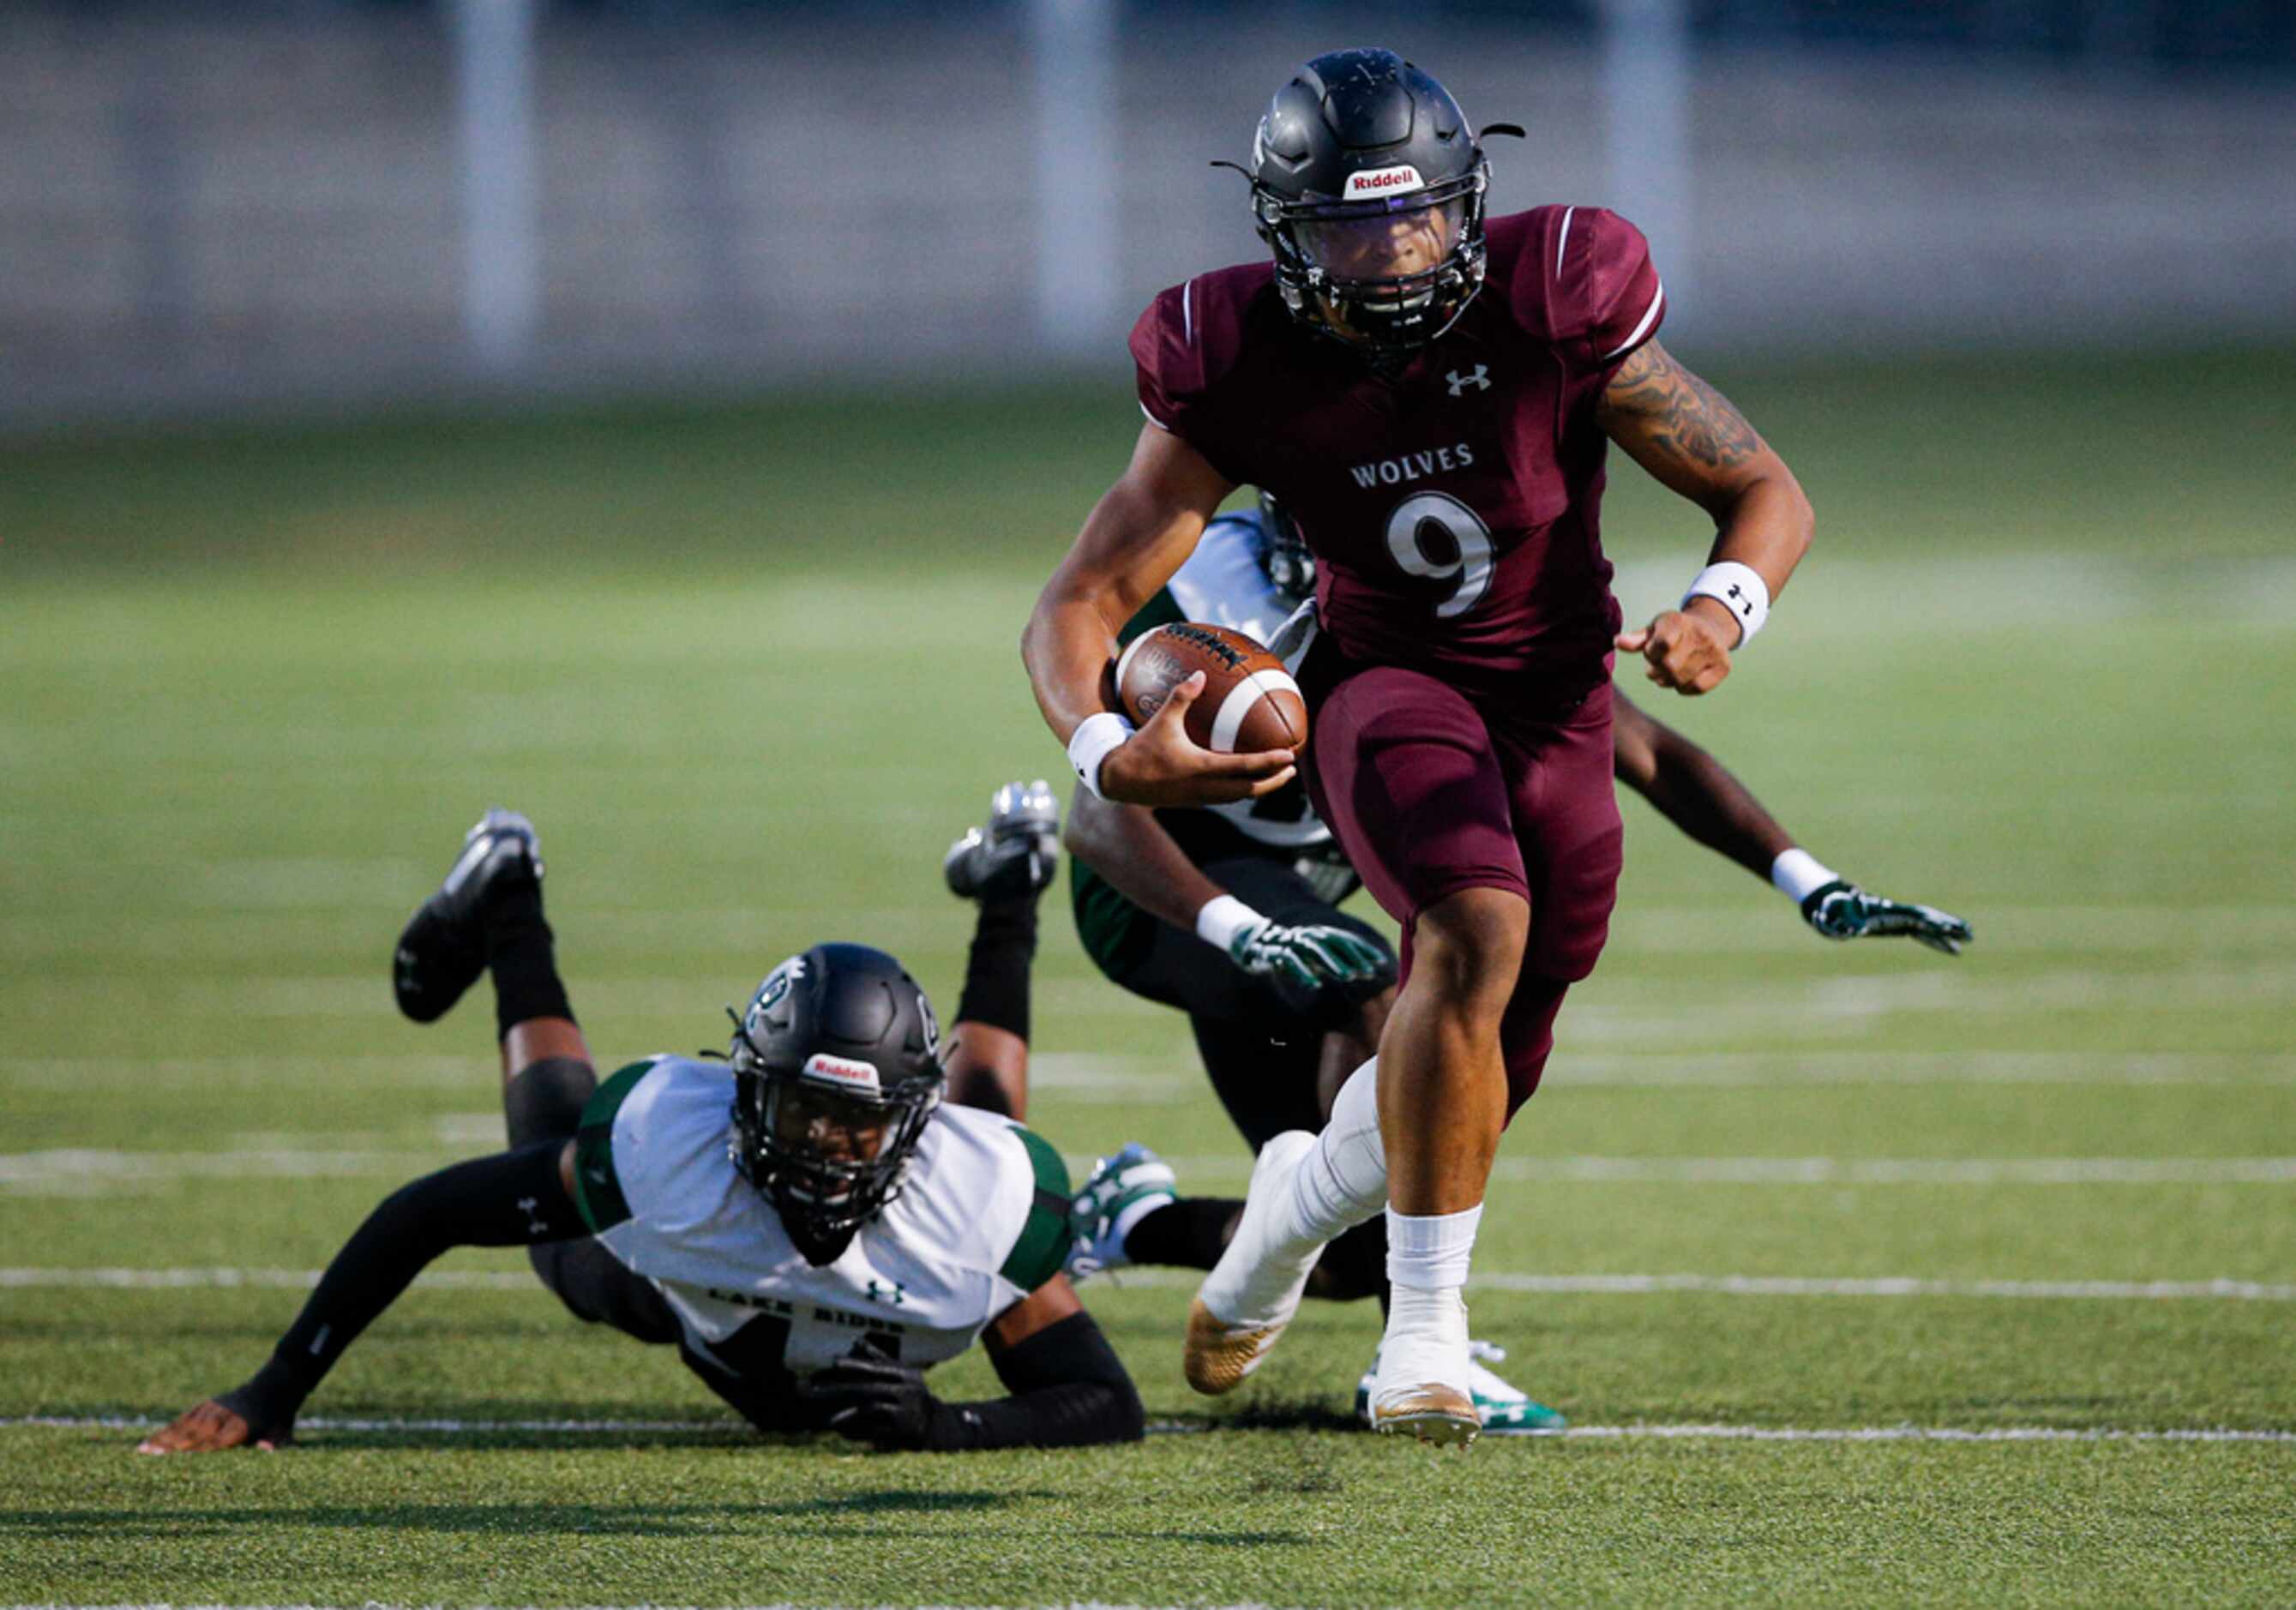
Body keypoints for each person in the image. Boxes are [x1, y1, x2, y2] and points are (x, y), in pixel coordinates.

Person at [1020, 47, 1818, 1444]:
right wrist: (1099, 744)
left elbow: (1757, 486)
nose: (1389, 254)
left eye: (1416, 216)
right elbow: (1078, 599)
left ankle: (1285, 1213)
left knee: (1494, 1040)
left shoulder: (1557, 291)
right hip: (1385, 683)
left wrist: (1720, 604)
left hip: (1556, 702)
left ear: (1467, 203)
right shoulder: (1236, 355)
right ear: (1282, 230)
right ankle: (1422, 1337)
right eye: (1346, 223)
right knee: (1470, 929)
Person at [1058, 497, 1968, 1434]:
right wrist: (1239, 930)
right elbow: (1094, 818)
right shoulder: (1199, 586)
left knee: (1349, 1233)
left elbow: (1641, 746)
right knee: (1381, 995)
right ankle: (1412, 1347)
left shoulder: (1422, 602)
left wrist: (1804, 879)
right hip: (1167, 891)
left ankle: (1136, 1222)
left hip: (1295, 902)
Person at [135, 808, 1142, 1457]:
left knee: (990, 1128)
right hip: (683, 1311)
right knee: (566, 1251)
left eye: (859, 1123)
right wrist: (275, 1389)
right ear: (749, 1096)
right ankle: (509, 903)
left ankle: (1011, 888)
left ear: (906, 1129)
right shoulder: (668, 1153)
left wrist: (944, 1426)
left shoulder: (975, 1203)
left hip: (793, 1300)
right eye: (804, 1110)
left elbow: (1102, 1402)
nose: (828, 1144)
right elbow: (429, 1211)